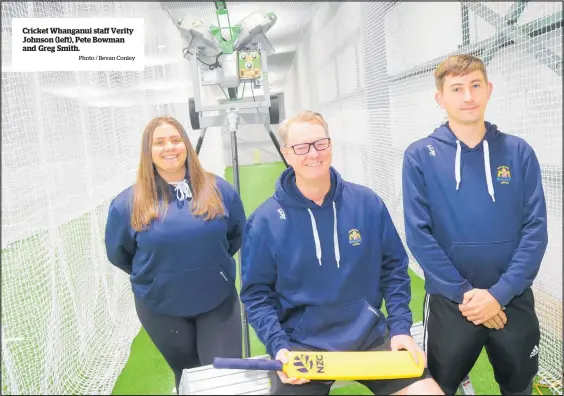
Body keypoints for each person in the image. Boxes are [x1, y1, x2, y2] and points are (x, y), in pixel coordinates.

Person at [240, 110, 443, 395]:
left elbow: (394, 269)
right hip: (303, 346)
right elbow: (256, 295)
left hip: (369, 337)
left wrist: (400, 328)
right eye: (301, 147)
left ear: (330, 145)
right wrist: (279, 347)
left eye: (320, 143)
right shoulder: (264, 221)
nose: (313, 154)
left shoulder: (367, 202)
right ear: (287, 154)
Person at [402, 54, 548, 395]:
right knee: (440, 386)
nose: (468, 96)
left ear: (489, 90)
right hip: (451, 303)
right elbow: (418, 234)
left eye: (475, 85)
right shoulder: (420, 156)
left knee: (519, 386)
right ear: (440, 98)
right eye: (456, 88)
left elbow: (535, 229)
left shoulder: (519, 152)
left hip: (512, 298)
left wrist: (498, 295)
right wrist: (468, 295)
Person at [104, 116, 246, 392]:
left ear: (186, 145)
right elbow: (119, 254)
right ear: (149, 152)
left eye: (175, 139)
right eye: (159, 142)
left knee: (226, 381)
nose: (169, 147)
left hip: (217, 302)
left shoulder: (219, 190)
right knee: (189, 378)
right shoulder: (126, 204)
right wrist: (159, 276)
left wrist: (209, 267)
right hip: (162, 308)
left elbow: (235, 235)